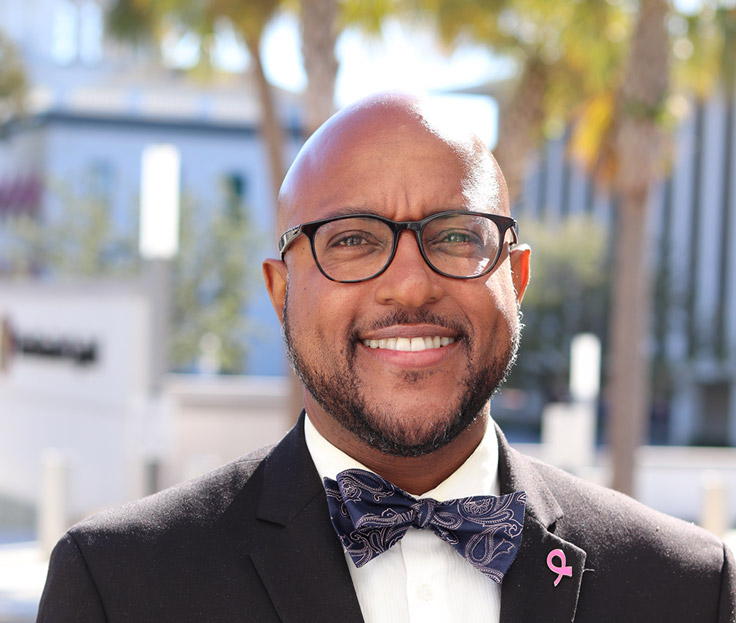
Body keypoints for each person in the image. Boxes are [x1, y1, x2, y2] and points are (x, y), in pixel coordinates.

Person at [37, 93, 735, 623]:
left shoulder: (686, 587)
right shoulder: (119, 582)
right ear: (281, 291)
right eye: (352, 240)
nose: (409, 282)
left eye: (458, 236)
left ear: (514, 280)